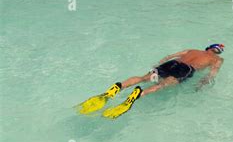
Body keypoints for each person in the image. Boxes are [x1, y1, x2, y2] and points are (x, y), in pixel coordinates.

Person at [77, 44, 225, 119]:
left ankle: (116, 89)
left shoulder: (191, 50)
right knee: (162, 85)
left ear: (209, 48)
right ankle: (137, 95)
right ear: (217, 52)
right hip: (186, 69)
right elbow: (212, 73)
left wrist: (156, 66)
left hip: (172, 63)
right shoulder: (217, 59)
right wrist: (203, 83)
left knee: (143, 78)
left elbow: (169, 56)